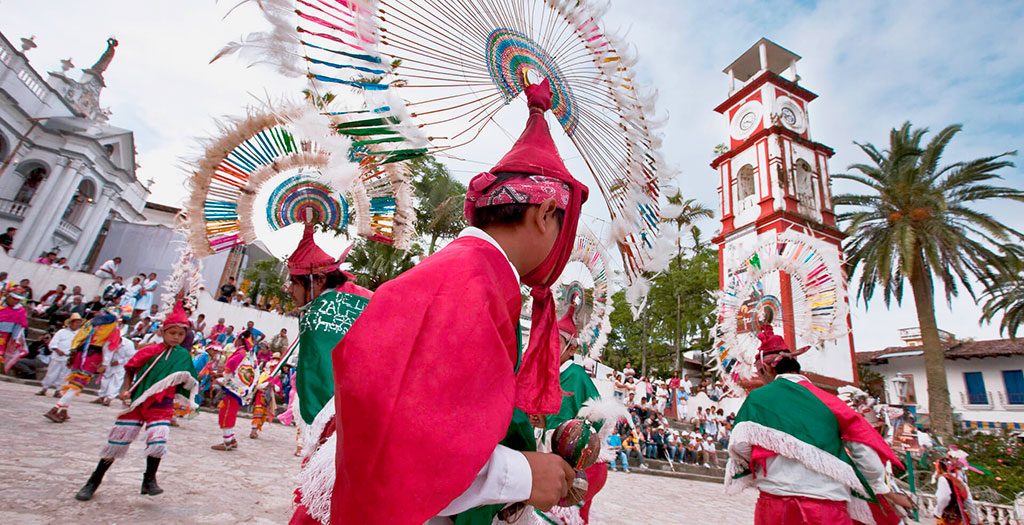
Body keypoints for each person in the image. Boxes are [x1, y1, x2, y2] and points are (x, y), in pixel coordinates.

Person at [292, 80, 587, 524]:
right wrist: (522, 476)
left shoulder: (471, 275)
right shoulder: (466, 284)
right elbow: (395, 449)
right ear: (546, 215)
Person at [725, 325, 905, 525]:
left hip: (776, 506)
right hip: (828, 507)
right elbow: (869, 458)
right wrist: (864, 483)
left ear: (768, 368)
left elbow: (740, 446)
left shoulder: (759, 398)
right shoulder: (831, 402)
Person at [73, 301, 199, 501]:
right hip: (139, 400)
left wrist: (187, 395)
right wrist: (125, 389)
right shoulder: (149, 351)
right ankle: (93, 481)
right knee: (117, 441)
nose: (176, 337)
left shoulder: (183, 355)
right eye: (172, 333)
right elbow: (130, 369)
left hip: (162, 403)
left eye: (180, 335)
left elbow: (189, 379)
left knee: (158, 440)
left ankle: (149, 480)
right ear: (163, 332)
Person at [44, 308, 122, 423]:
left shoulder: (92, 322)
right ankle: (55, 408)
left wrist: (73, 352)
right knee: (78, 383)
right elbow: (108, 347)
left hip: (81, 352)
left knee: (74, 381)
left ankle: (64, 409)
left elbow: (79, 337)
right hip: (93, 354)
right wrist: (105, 364)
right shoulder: (113, 328)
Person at [211, 342, 248, 451]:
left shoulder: (239, 355)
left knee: (227, 414)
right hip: (239, 390)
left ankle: (227, 442)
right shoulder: (248, 355)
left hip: (234, 391)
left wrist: (223, 380)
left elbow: (229, 370)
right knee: (229, 413)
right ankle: (231, 438)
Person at [38, 314, 83, 396]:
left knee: (65, 375)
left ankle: (59, 390)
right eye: (76, 322)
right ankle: (44, 388)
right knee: (52, 373)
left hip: (69, 357)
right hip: (57, 356)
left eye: (79, 322)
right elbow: (53, 343)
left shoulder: (80, 334)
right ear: (71, 323)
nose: (77, 324)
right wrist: (57, 350)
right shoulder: (62, 332)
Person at [934, 453, 979, 525]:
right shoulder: (960, 481)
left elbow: (944, 498)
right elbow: (969, 502)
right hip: (960, 517)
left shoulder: (943, 479)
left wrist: (937, 512)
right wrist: (974, 521)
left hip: (948, 518)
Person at [95, 336, 136, 406]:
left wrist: (119, 362)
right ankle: (101, 397)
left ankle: (109, 399)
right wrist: (104, 363)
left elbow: (131, 357)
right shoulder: (108, 342)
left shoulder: (128, 344)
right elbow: (105, 353)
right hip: (109, 364)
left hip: (121, 366)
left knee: (116, 381)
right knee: (105, 380)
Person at [0, 287, 29, 373]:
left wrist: (16, 340)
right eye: (14, 299)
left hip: (3, 336)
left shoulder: (20, 311)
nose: (16, 301)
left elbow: (19, 327)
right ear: (9, 296)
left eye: (18, 300)